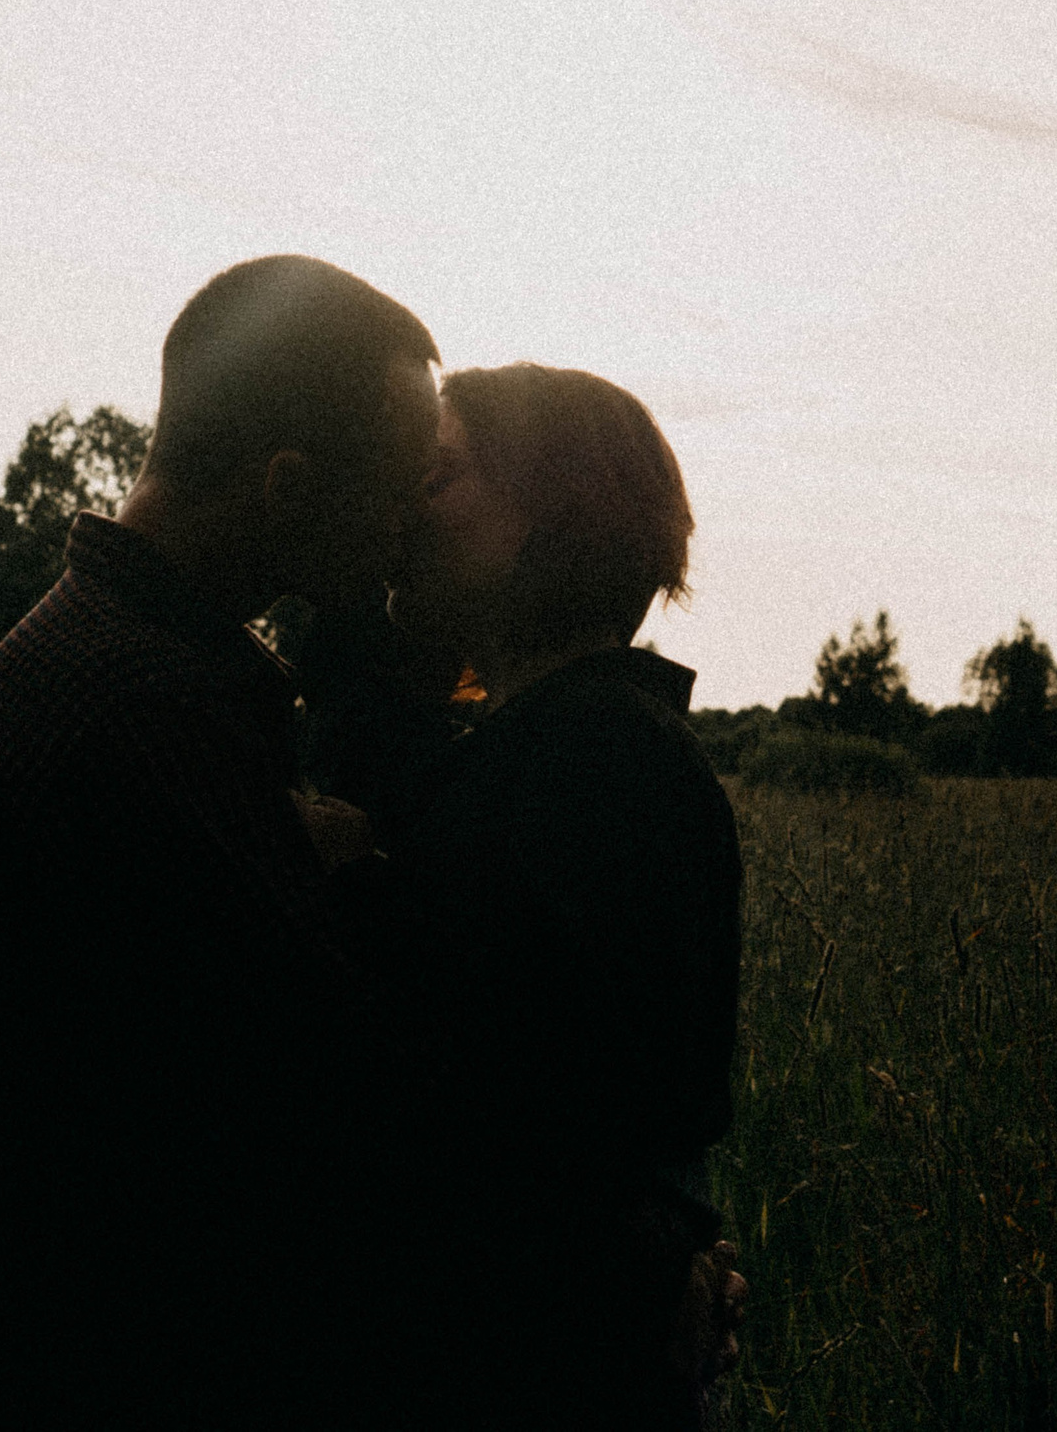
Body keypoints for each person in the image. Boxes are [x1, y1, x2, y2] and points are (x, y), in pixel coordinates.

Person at [0, 256, 441, 1429]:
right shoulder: (145, 712)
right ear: (288, 487)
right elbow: (322, 1099)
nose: (408, 533)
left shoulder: (98, 658)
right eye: (394, 494)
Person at [299, 362, 748, 1430]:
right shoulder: (550, 744)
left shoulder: (597, 759)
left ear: (550, 514)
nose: (405, 506)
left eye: (440, 476)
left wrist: (349, 881)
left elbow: (515, 1107)